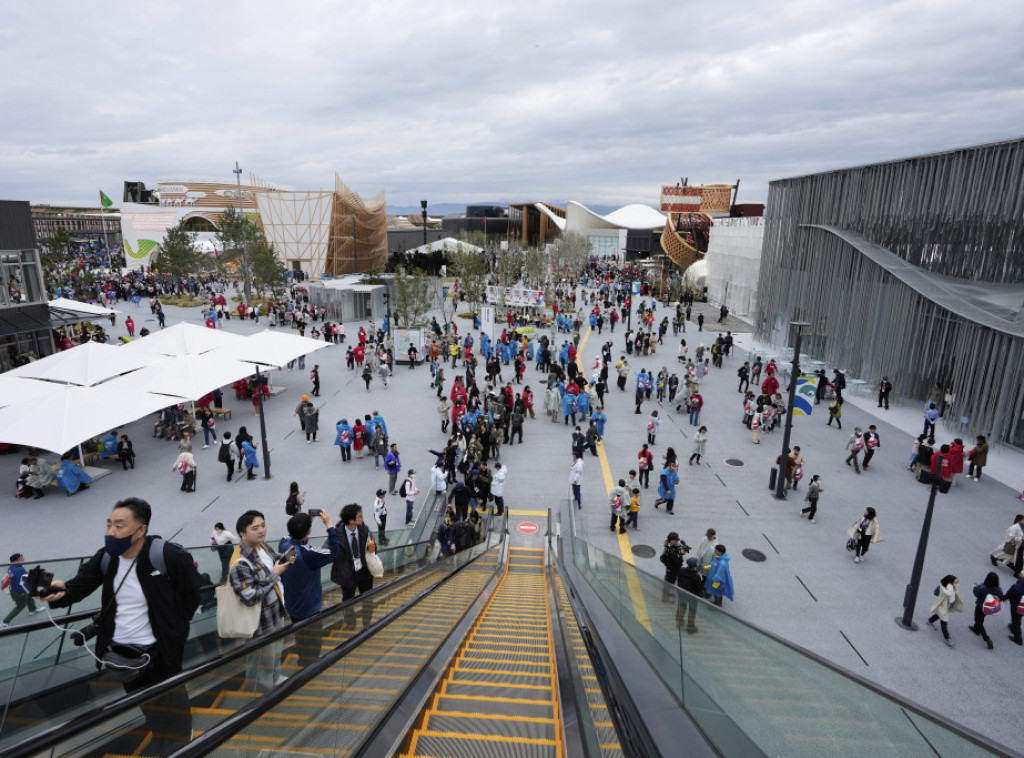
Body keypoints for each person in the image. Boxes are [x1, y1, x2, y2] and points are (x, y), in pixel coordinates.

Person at [42, 498, 201, 753]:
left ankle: (182, 743)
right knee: (147, 704)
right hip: (122, 656)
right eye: (108, 525)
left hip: (162, 652)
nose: (110, 532)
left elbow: (192, 594)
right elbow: (76, 587)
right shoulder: (106, 558)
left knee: (173, 702)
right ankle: (162, 737)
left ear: (141, 530)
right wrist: (57, 592)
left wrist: (175, 629)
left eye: (119, 526)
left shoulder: (168, 556)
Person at [230, 509, 295, 689]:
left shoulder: (262, 547)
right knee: (261, 660)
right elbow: (250, 597)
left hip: (275, 611)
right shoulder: (240, 563)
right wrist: (275, 575)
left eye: (263, 525)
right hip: (259, 622)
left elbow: (274, 561)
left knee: (274, 653)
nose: (261, 531)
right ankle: (262, 696)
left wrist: (286, 559)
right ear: (242, 533)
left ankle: (275, 679)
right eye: (255, 528)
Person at [280, 510, 339, 665]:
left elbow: (290, 538)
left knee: (299, 635)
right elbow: (334, 551)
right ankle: (309, 668)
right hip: (309, 608)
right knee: (313, 642)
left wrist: (305, 521)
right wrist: (329, 526)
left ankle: (302, 659)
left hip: (293, 605)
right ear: (309, 531)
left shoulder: (285, 546)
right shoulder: (307, 555)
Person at [330, 503, 376, 630]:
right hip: (347, 573)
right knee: (348, 601)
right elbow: (327, 550)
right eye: (360, 516)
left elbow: (372, 541)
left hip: (364, 572)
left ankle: (367, 624)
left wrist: (372, 547)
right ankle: (350, 623)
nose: (362, 518)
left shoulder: (363, 528)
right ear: (351, 521)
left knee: (367, 600)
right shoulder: (336, 534)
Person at [1, 553, 40, 627]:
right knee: (20, 606)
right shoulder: (20, 570)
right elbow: (26, 580)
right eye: (21, 558)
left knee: (29, 596)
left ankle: (32, 610)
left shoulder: (11, 568)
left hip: (14, 589)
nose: (23, 559)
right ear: (16, 561)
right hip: (20, 591)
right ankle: (5, 622)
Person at [968, 572, 1004, 650]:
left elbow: (976, 593)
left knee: (978, 620)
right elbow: (1000, 598)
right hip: (989, 608)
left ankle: (986, 638)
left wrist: (975, 586)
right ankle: (976, 628)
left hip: (980, 606)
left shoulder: (982, 587)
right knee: (982, 617)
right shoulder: (999, 590)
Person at [927, 574, 962, 647]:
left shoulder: (953, 587)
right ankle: (947, 637)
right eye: (955, 582)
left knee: (939, 614)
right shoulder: (943, 587)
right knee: (944, 621)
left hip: (946, 606)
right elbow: (936, 593)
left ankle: (930, 621)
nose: (956, 583)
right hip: (943, 605)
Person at [676, 557, 706, 633]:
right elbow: (699, 589)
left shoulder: (681, 570)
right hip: (692, 597)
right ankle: (690, 627)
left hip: (682, 593)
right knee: (692, 611)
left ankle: (679, 621)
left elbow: (678, 580)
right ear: (695, 566)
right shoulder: (697, 576)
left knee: (682, 607)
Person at [660, 532, 685, 602]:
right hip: (673, 570)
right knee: (670, 583)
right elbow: (677, 562)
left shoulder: (667, 545)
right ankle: (665, 598)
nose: (677, 542)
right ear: (671, 540)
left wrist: (678, 549)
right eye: (676, 540)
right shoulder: (670, 552)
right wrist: (681, 555)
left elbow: (674, 548)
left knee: (668, 580)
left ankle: (665, 595)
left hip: (669, 568)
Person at [1005, 575, 1024, 646]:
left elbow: (1009, 594)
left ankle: (1018, 639)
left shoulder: (1016, 587)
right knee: (1018, 619)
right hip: (1022, 607)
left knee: (1016, 620)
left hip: (1015, 606)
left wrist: (1003, 598)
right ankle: (1013, 627)